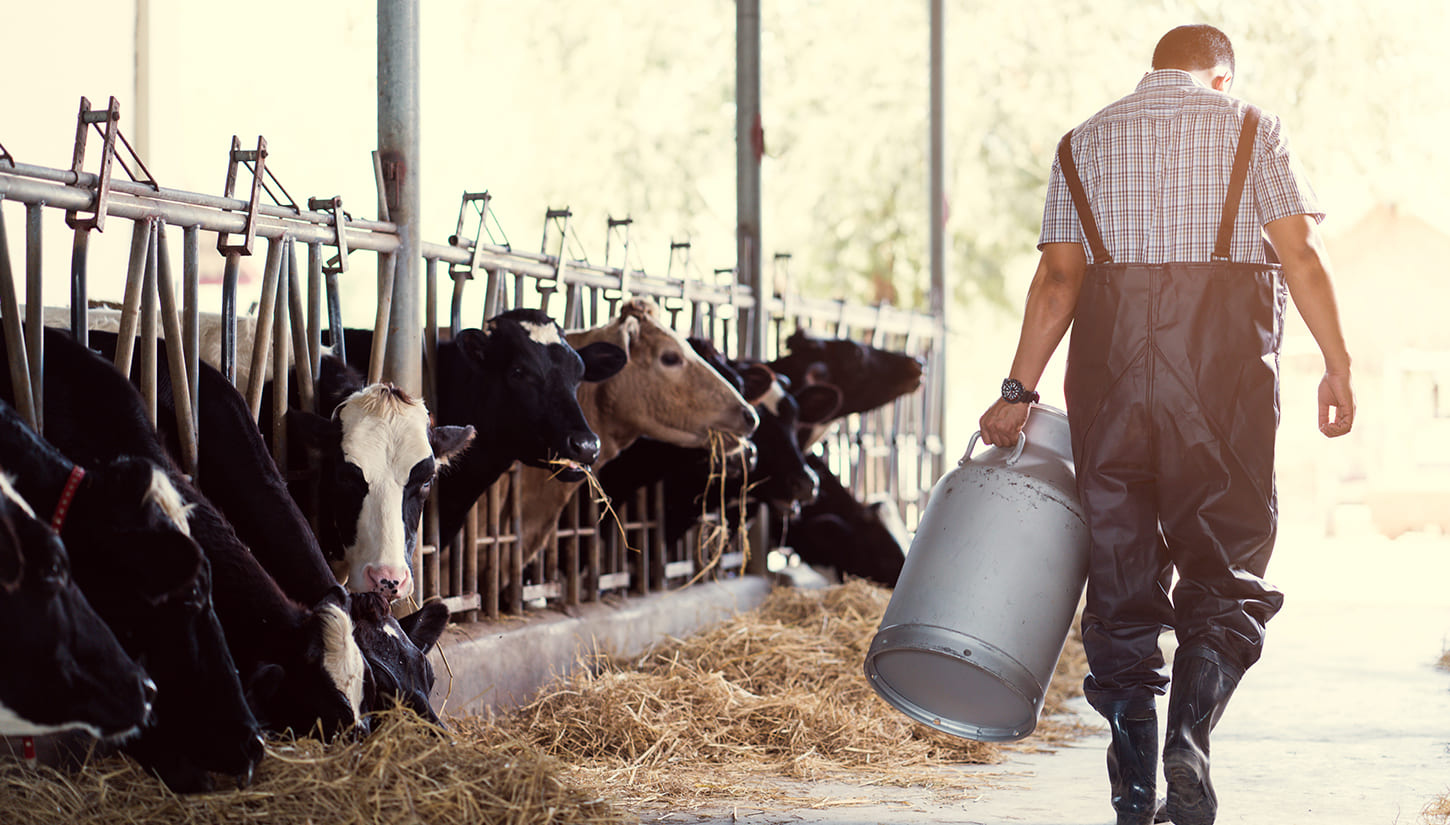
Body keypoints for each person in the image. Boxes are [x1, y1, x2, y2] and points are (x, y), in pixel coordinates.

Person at [977, 24, 1354, 825]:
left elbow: (1057, 279)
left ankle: (1133, 791)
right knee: (1225, 569)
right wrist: (1338, 363)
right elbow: (1303, 256)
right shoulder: (1253, 127)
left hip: (1109, 388)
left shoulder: (1083, 143)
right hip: (1221, 387)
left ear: (1155, 71)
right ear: (1222, 77)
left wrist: (1018, 389)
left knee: (1121, 581)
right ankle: (1190, 735)